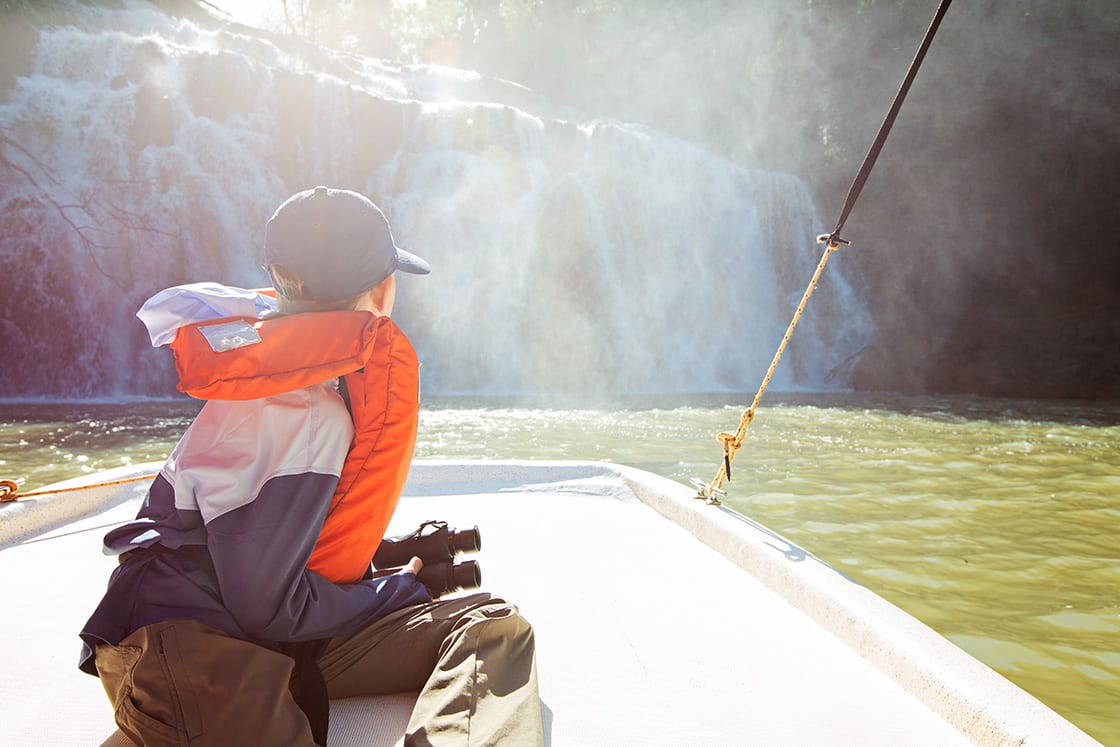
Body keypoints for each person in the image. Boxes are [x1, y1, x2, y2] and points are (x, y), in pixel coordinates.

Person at [78, 186, 543, 746]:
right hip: (194, 654)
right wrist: (399, 591)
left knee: (489, 626)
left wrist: (388, 574)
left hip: (253, 639)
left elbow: (264, 562)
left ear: (280, 280)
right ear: (383, 291)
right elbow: (267, 607)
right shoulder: (305, 411)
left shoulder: (294, 385)